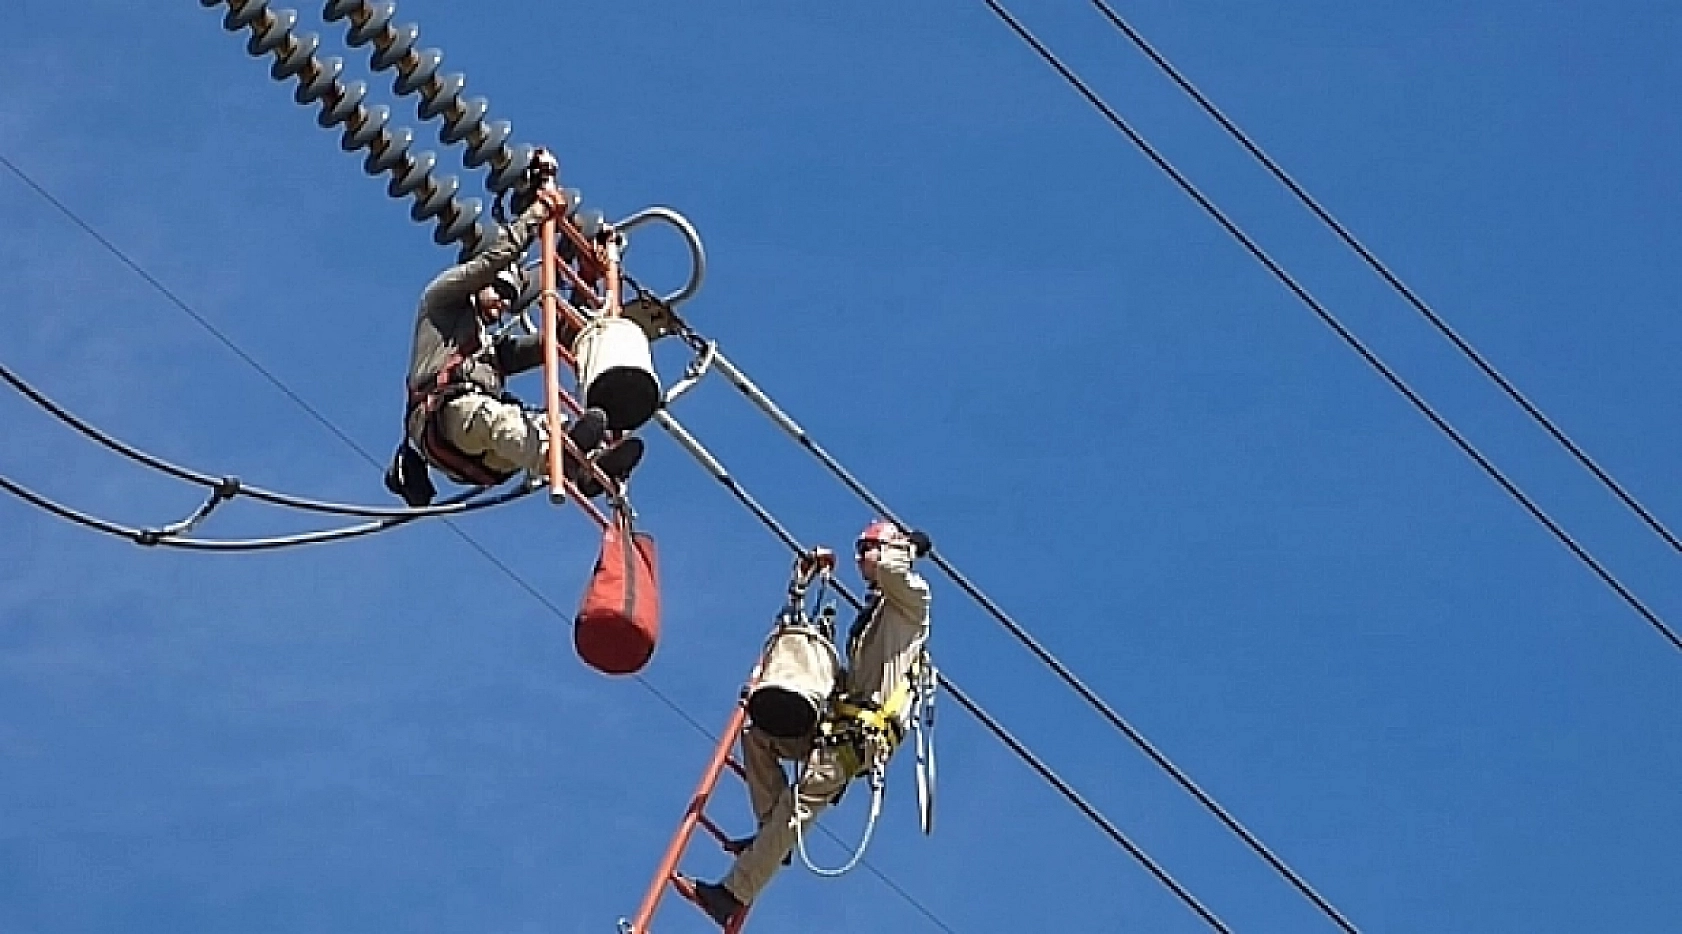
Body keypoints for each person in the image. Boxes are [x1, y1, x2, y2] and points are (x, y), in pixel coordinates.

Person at [675, 521, 933, 928]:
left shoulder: (913, 600)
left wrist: (906, 544)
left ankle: (731, 895)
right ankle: (771, 841)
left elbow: (893, 570)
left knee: (796, 807)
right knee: (757, 737)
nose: (860, 557)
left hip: (856, 740)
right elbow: (852, 681)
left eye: (868, 547)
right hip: (838, 725)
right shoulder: (877, 617)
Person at [386, 150, 642, 506]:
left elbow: (557, 340)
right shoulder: (440, 302)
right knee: (496, 419)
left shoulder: (491, 349)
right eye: (499, 292)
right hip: (447, 421)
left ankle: (588, 466)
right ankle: (560, 457)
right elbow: (495, 259)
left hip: (488, 455)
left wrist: (588, 275)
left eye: (510, 297)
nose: (504, 304)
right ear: (479, 285)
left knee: (543, 424)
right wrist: (538, 212)